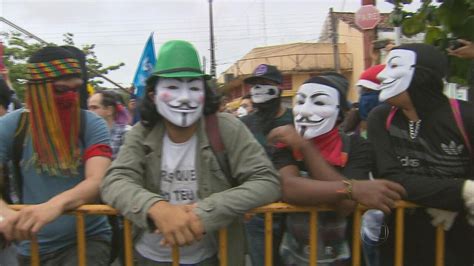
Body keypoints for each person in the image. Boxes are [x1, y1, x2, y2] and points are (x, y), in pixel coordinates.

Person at [100, 40, 281, 266]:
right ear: (153, 95)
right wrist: (157, 208)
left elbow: (266, 180)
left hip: (212, 256)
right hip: (147, 256)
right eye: (173, 88)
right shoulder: (141, 132)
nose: (185, 97)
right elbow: (115, 180)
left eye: (194, 88)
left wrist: (206, 212)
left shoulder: (226, 127)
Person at [267, 73, 406, 265]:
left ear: (340, 113)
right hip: (291, 256)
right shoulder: (286, 146)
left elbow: (345, 206)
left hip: (344, 257)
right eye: (300, 101)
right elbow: (289, 188)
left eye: (320, 103)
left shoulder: (357, 146)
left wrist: (306, 148)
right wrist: (352, 189)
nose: (305, 111)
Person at [0, 46, 113, 265]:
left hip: (87, 240)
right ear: (36, 91)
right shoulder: (10, 127)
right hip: (30, 246)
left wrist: (54, 206)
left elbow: (97, 180)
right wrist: (4, 214)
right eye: (60, 90)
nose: (71, 97)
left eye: (76, 89)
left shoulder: (91, 124)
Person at [367, 43, 474, 265]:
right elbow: (391, 178)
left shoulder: (465, 117)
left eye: (394, 65)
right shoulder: (380, 118)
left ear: (422, 75)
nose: (382, 75)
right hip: (399, 239)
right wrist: (461, 192)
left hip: (458, 238)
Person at [240, 64, 292, 266]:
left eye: (265, 84)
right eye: (255, 85)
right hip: (258, 213)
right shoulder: (244, 124)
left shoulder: (296, 119)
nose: (259, 90)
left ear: (280, 88)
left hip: (294, 210)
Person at [88, 90, 132, 159]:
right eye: (89, 108)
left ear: (109, 110)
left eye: (94, 108)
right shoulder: (89, 133)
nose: (89, 112)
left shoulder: (127, 133)